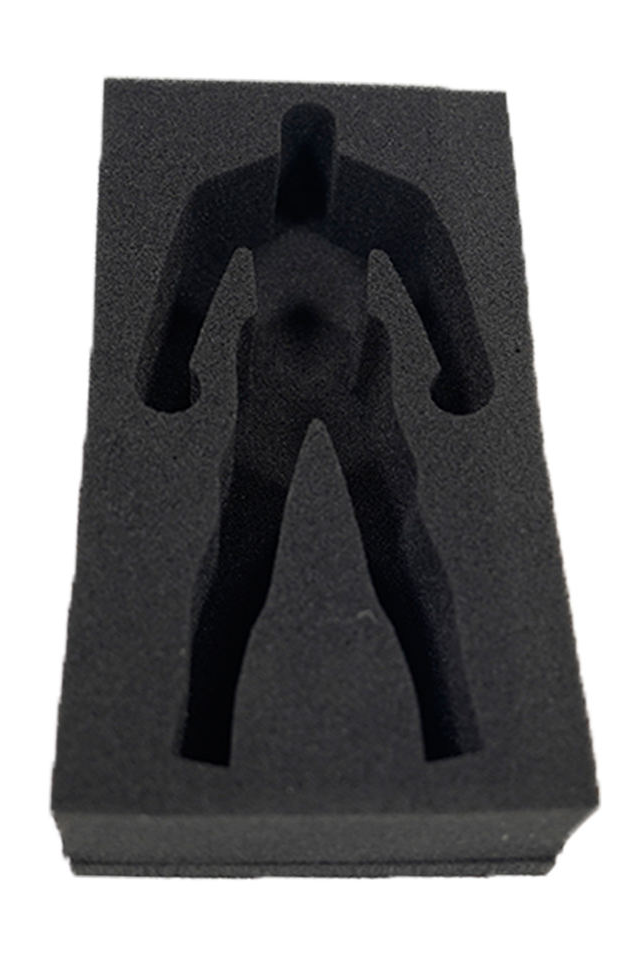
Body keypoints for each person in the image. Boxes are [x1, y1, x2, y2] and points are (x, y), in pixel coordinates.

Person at [137, 103, 494, 765]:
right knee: (346, 547)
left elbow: (196, 267)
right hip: (320, 374)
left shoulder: (249, 196)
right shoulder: (364, 197)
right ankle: (447, 735)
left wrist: (166, 379)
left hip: (317, 377)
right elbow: (422, 250)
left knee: (297, 552)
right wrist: (463, 378)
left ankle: (202, 743)